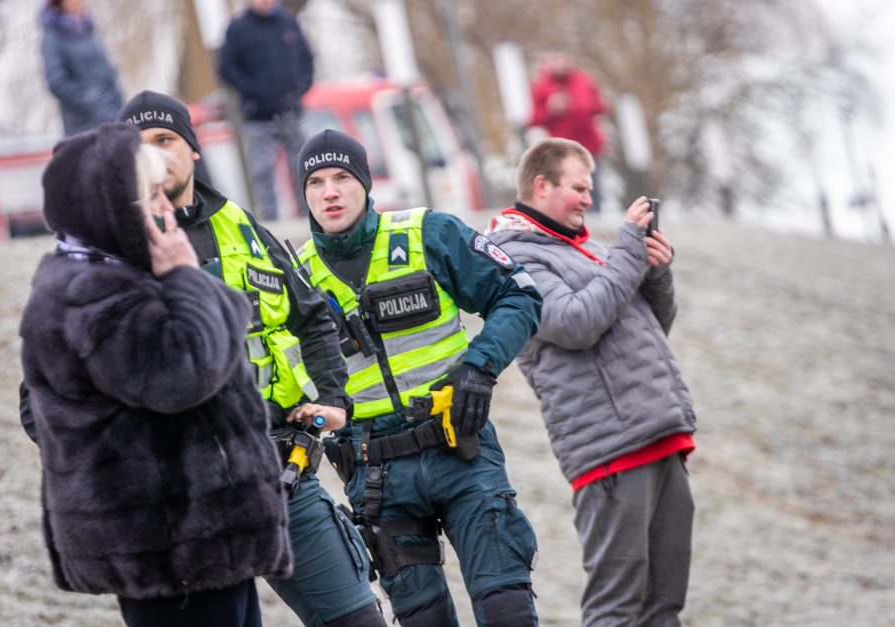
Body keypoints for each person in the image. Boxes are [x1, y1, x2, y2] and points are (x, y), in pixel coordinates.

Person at [115, 91, 386, 627]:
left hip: (281, 472)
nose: (154, 156)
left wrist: (334, 401)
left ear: (193, 150)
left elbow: (313, 319)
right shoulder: (103, 251)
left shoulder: (242, 228)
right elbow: (46, 398)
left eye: (166, 140)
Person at [18, 123, 290, 627]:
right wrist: (187, 275)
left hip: (200, 545)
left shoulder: (112, 275)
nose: (166, 210)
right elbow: (184, 375)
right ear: (105, 206)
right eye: (148, 198)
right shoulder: (91, 290)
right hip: (170, 550)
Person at [295, 129, 544, 627]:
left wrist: (479, 368)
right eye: (316, 181)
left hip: (461, 450)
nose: (330, 192)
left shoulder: (426, 232)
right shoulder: (293, 277)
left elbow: (519, 295)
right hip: (376, 478)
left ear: (366, 183)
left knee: (506, 609)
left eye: (343, 177)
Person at [485, 137, 697, 626]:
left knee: (664, 607)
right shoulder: (512, 261)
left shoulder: (590, 250)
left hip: (658, 435)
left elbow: (646, 332)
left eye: (590, 187)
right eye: (579, 187)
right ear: (541, 186)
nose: (588, 198)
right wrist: (626, 252)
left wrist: (655, 274)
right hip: (610, 453)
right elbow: (576, 323)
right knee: (616, 608)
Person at [218, 0, 314, 220]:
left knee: (302, 166)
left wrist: (300, 88)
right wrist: (252, 91)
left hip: (291, 111)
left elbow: (307, 60)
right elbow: (226, 67)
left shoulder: (289, 22)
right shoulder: (238, 29)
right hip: (257, 114)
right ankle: (271, 224)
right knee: (262, 171)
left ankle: (310, 217)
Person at [529, 52, 608, 211]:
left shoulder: (583, 80)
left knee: (593, 185)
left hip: (589, 144)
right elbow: (533, 118)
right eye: (555, 59)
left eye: (563, 59)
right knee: (568, 185)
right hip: (563, 149)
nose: (560, 63)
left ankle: (595, 217)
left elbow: (599, 106)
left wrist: (596, 105)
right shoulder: (541, 86)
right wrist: (550, 109)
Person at [39, 0, 123, 136]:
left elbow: (106, 73)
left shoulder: (88, 32)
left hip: (112, 117)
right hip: (84, 127)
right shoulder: (52, 37)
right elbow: (56, 81)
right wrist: (90, 101)